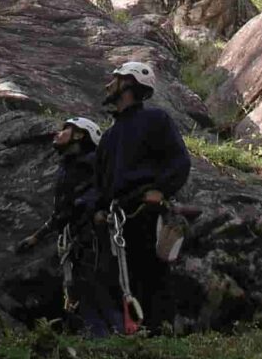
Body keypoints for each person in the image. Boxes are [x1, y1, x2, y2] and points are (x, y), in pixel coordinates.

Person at [91, 61, 191, 335]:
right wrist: (99, 208)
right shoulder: (109, 137)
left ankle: (160, 332)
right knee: (120, 278)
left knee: (153, 274)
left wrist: (160, 189)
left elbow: (179, 160)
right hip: (116, 218)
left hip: (145, 210)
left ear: (129, 84)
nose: (108, 85)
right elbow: (100, 181)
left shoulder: (155, 120)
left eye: (115, 79)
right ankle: (132, 334)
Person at [15, 117, 116, 335]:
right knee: (83, 293)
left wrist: (91, 209)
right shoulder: (68, 167)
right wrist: (37, 237)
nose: (57, 133)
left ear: (79, 135)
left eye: (65, 129)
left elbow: (101, 195)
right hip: (79, 238)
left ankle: (109, 341)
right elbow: (63, 212)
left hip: (93, 239)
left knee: (94, 293)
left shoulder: (91, 163)